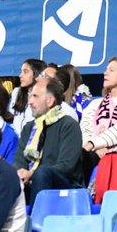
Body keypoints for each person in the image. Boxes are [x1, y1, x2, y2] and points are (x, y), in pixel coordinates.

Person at [14, 74, 84, 203]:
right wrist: (21, 172)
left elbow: (66, 166)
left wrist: (32, 174)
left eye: (35, 96)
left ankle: (37, 220)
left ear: (50, 101)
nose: (30, 101)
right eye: (30, 96)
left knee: (42, 173)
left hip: (63, 187)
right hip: (31, 183)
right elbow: (19, 159)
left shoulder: (68, 125)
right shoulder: (29, 127)